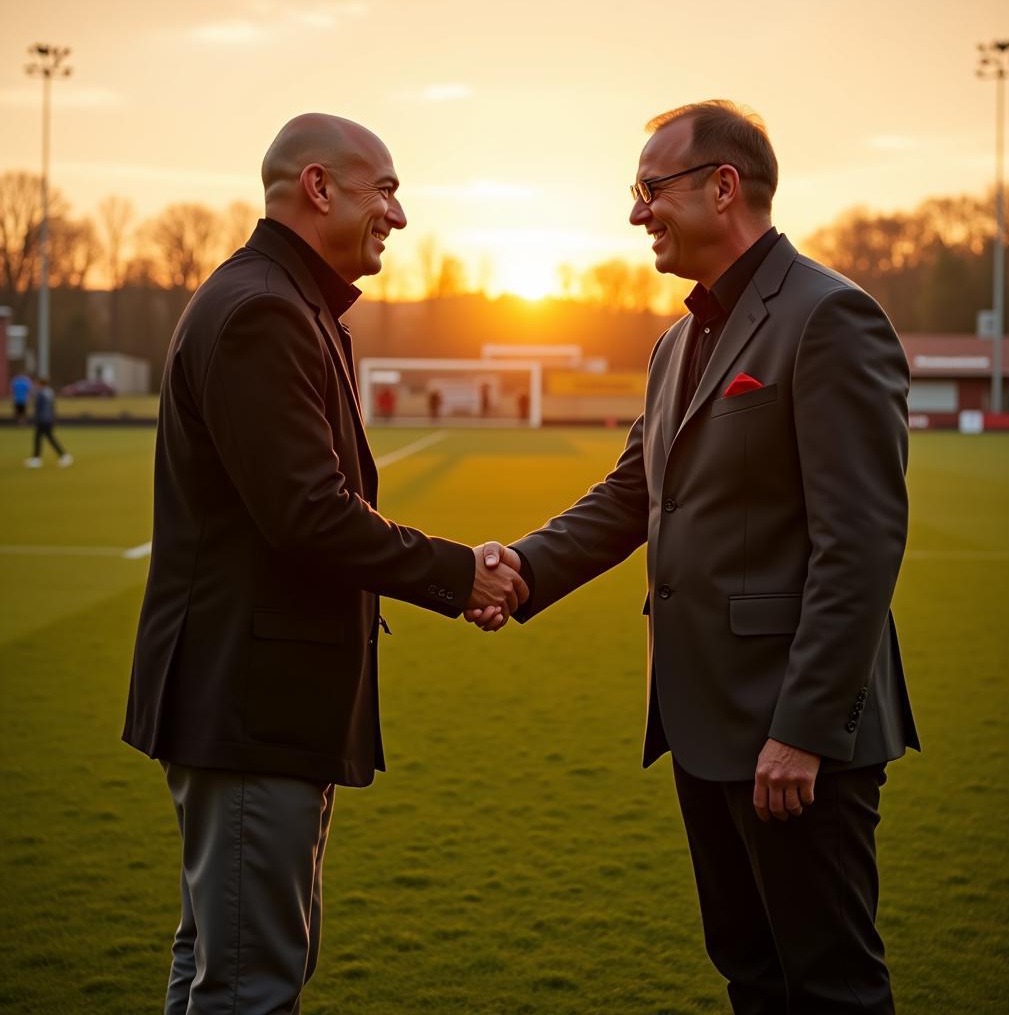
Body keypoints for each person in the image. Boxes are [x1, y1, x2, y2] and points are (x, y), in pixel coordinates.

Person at [469, 100, 918, 1014]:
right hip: (703, 722)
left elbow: (860, 541)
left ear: (725, 187)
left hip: (794, 737)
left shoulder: (830, 317)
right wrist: (519, 568)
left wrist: (803, 729)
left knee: (830, 986)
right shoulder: (678, 339)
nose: (637, 213)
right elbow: (635, 493)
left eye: (651, 189)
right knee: (750, 975)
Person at [122, 113, 527, 1015]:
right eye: (384, 188)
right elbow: (308, 515)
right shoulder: (264, 310)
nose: (399, 213)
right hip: (248, 705)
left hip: (259, 705)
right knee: (248, 985)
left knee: (220, 968)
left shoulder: (289, 303)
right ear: (318, 187)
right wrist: (463, 575)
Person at [24, 377, 72, 468]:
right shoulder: (50, 392)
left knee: (44, 438)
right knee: (42, 438)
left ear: (40, 384)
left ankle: (62, 455)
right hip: (49, 419)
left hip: (42, 419)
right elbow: (52, 407)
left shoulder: (40, 394)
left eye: (37, 384)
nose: (36, 386)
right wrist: (54, 419)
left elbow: (37, 408)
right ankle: (37, 458)